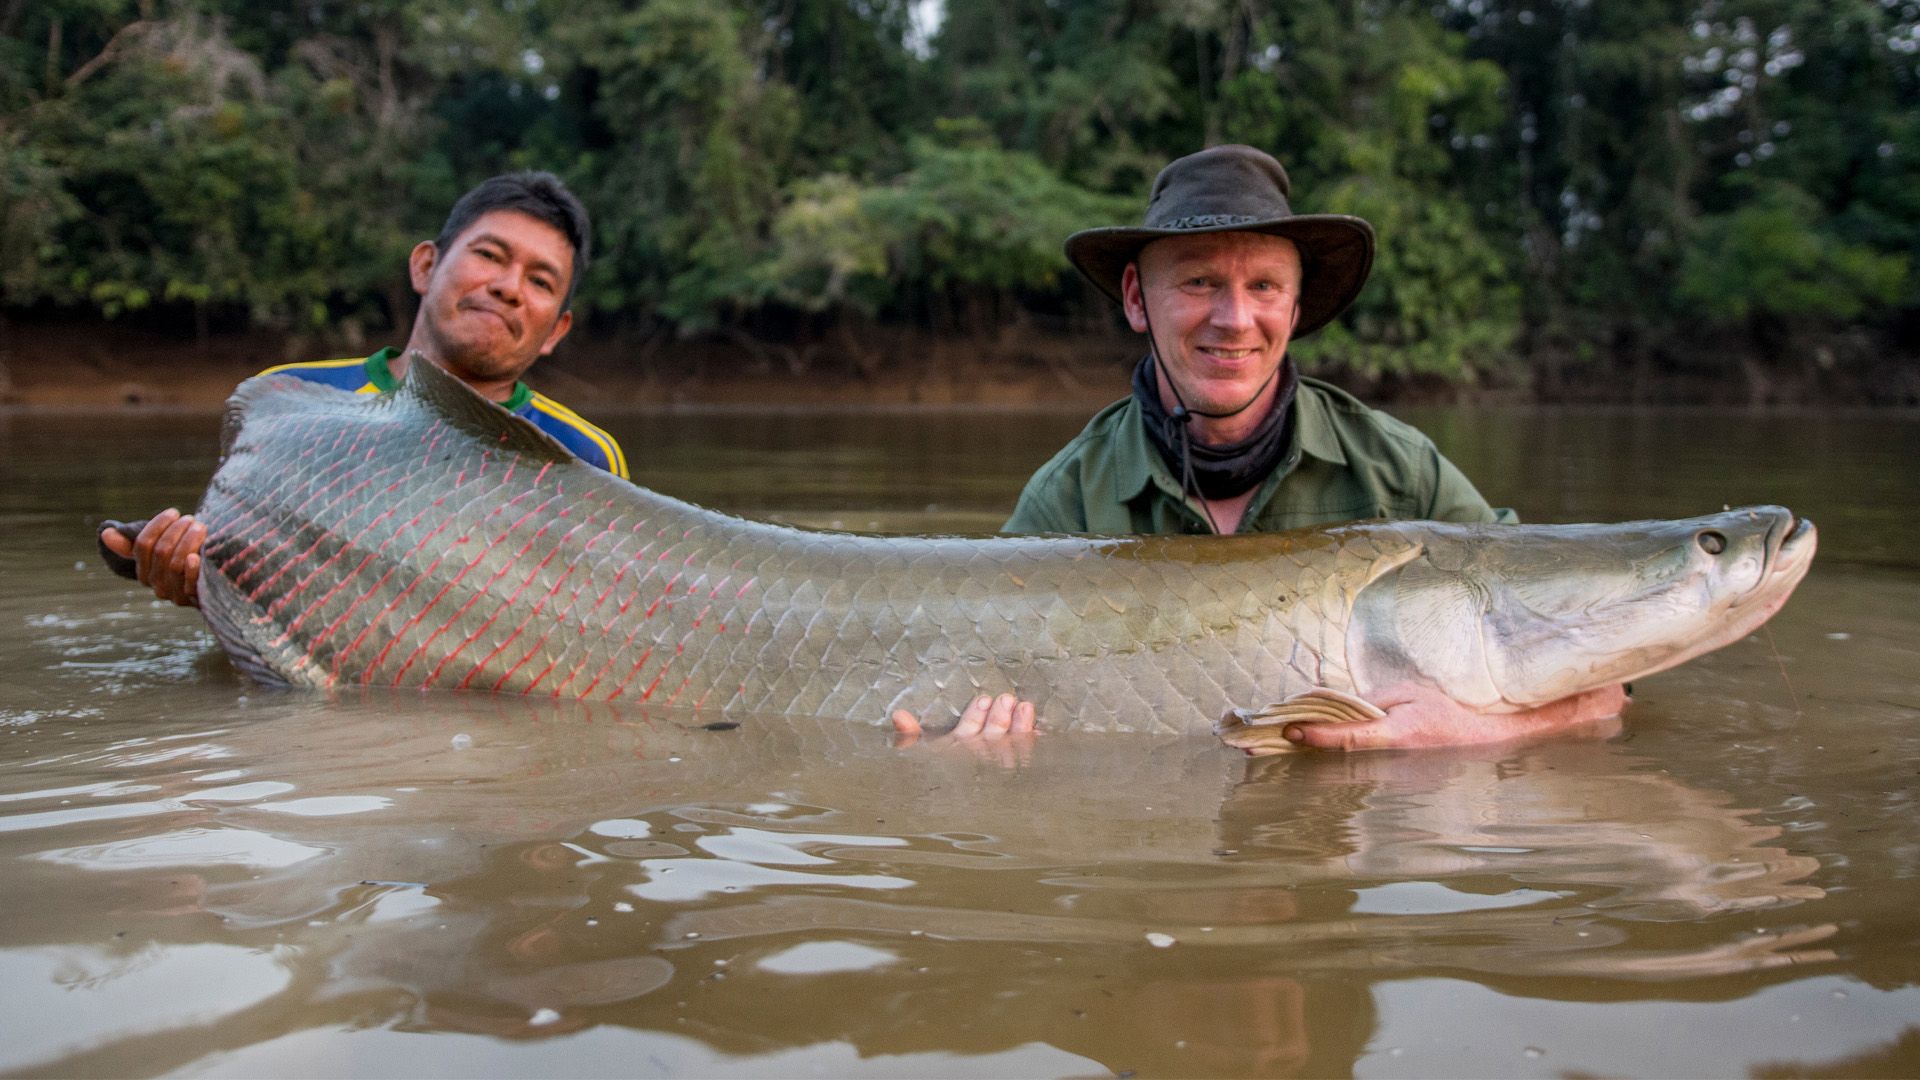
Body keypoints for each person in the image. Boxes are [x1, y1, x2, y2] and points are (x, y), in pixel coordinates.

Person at [894, 144, 1624, 752]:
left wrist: (1461, 736)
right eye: (1200, 281)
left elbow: (1606, 684)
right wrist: (971, 749)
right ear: (1137, 300)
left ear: (1296, 307)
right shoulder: (1067, 496)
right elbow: (963, 684)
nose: (1234, 318)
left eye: (1264, 285)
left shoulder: (1401, 472)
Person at [101, 171, 626, 608]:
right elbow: (244, 561)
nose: (509, 287)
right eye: (489, 255)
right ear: (425, 266)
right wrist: (200, 580)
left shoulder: (584, 456)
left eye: (540, 282)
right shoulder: (287, 398)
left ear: (556, 330)